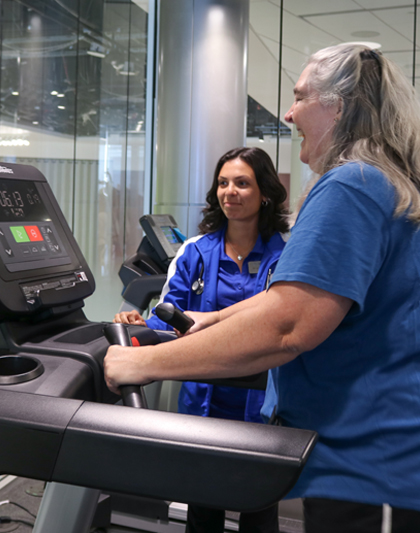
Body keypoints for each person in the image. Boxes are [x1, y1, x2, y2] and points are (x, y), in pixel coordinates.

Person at [105, 44, 420, 533]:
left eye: (300, 97)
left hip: (400, 451)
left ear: (337, 107)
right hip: (419, 436)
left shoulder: (352, 184)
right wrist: (214, 319)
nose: (288, 111)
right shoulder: (382, 178)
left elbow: (287, 325)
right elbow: (305, 295)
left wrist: (142, 363)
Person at [114, 146, 289, 533]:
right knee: (203, 513)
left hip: (261, 406)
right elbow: (171, 318)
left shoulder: (287, 255)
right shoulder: (195, 252)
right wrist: (139, 322)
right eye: (223, 183)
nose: (230, 191)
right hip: (204, 404)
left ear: (265, 193)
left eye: (243, 183)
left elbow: (283, 318)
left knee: (260, 514)